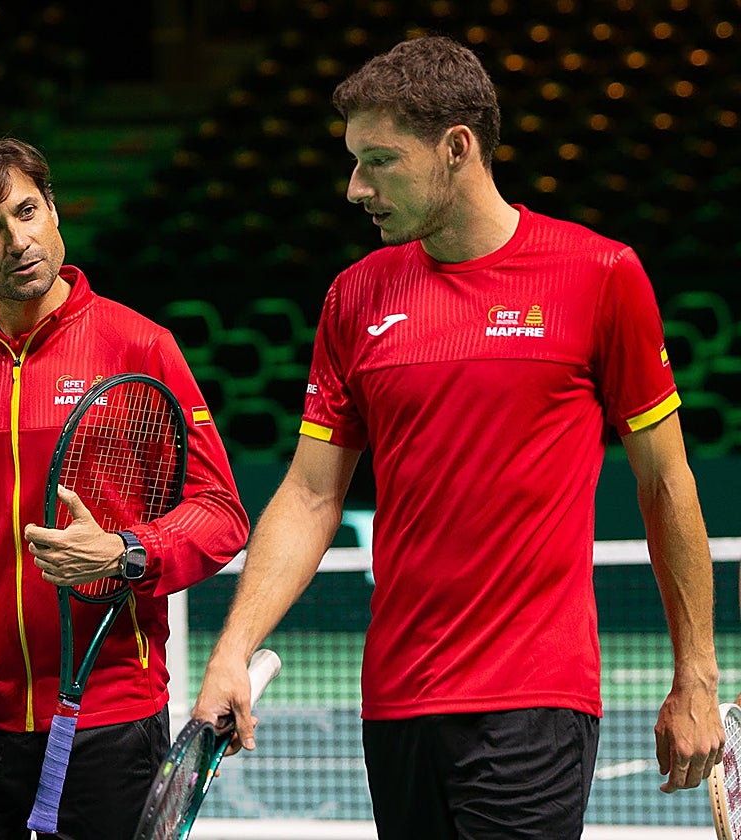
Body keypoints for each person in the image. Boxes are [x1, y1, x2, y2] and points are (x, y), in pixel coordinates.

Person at [191, 35, 723, 840]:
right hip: (397, 700)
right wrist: (233, 648)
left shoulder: (599, 275)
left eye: (379, 162)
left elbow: (665, 482)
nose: (355, 188)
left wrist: (697, 677)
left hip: (533, 697)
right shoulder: (355, 296)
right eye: (354, 161)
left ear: (457, 148)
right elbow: (309, 494)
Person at [0, 136, 249, 840]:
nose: (17, 240)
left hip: (108, 715)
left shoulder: (138, 346)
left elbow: (219, 513)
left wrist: (125, 551)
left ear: (54, 211)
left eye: (27, 211)